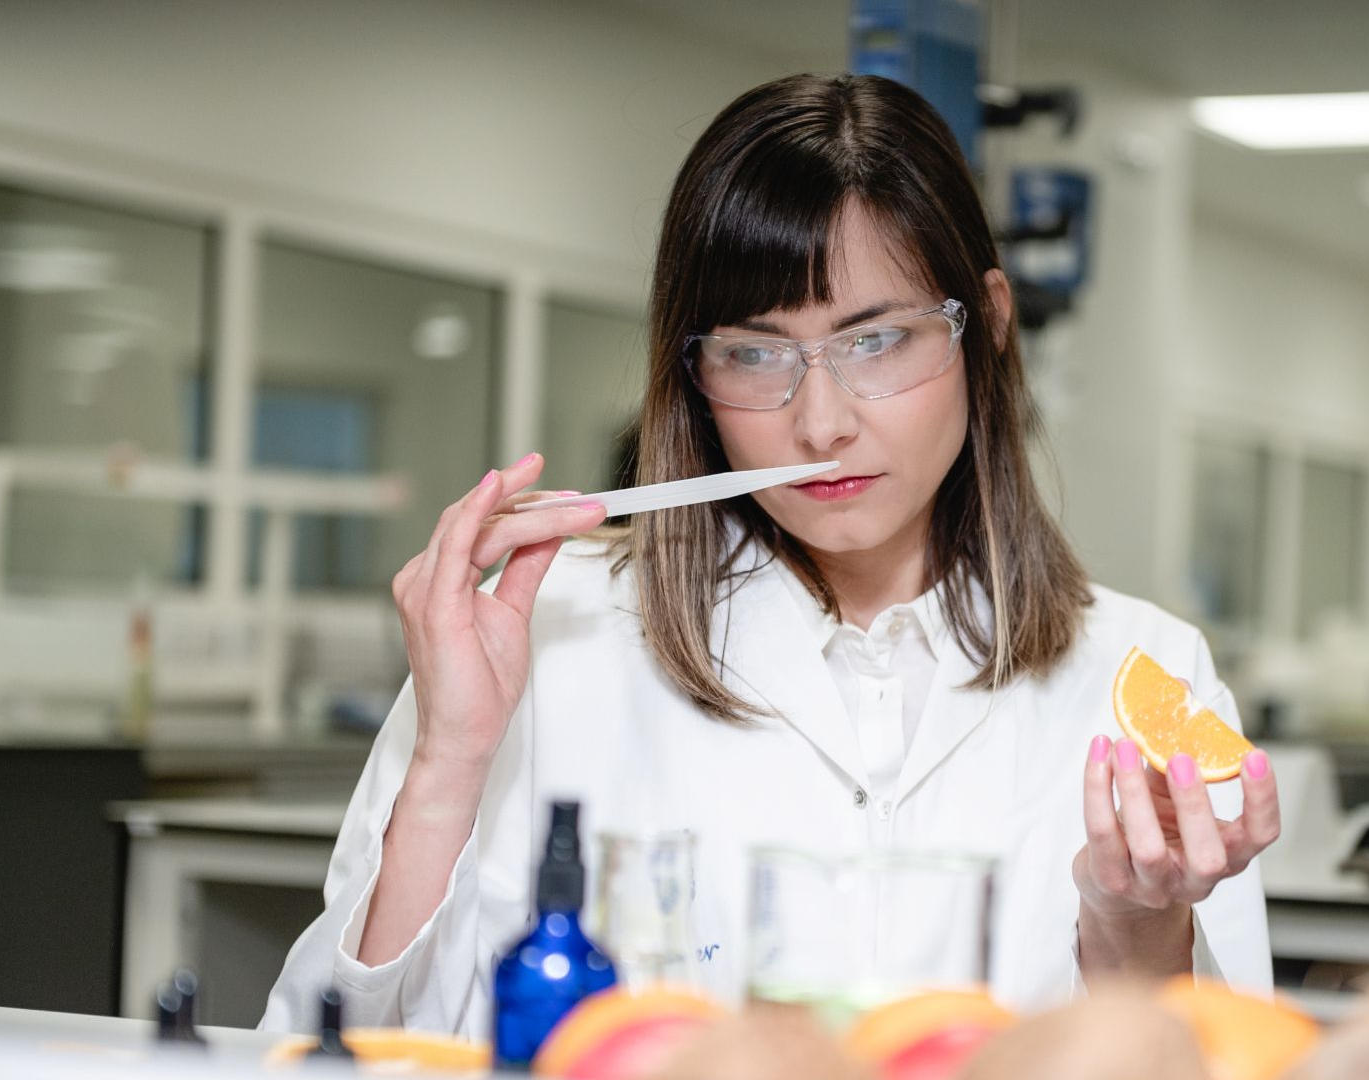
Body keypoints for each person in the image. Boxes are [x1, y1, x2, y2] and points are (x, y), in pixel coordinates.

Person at [261, 72, 1278, 1035]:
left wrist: (1135, 919)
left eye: (877, 340)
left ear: (989, 328)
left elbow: (1214, 1062)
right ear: (692, 370)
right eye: (755, 353)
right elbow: (337, 1049)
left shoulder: (1145, 674)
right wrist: (450, 761)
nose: (820, 421)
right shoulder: (540, 632)